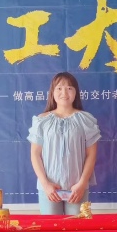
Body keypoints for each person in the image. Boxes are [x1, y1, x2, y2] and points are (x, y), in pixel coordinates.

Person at [27, 72, 101, 215]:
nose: (64, 93)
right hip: (49, 189)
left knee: (77, 227)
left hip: (77, 189)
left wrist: (82, 184)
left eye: (69, 88)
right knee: (51, 228)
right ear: (52, 92)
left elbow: (91, 155)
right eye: (59, 88)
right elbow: (35, 155)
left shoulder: (85, 120)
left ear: (75, 92)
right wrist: (45, 184)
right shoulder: (42, 120)